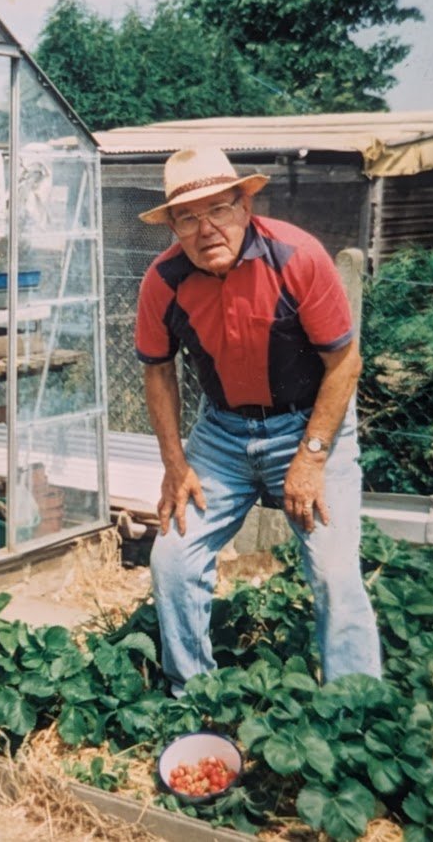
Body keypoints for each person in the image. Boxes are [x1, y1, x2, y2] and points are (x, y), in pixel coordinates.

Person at [134, 147, 381, 694]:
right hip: (221, 434)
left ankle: (358, 708)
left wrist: (311, 458)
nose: (206, 229)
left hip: (311, 427)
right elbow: (158, 372)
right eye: (188, 217)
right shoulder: (163, 281)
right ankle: (193, 697)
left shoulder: (297, 258)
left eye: (219, 209)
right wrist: (175, 465)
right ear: (172, 226)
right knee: (173, 558)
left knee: (336, 573)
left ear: (246, 204)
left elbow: (345, 363)